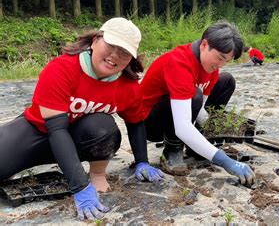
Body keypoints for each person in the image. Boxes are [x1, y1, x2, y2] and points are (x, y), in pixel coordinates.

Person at [0, 17, 164, 220]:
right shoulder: (61, 69)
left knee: (103, 126)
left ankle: (97, 174)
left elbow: (135, 122)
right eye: (111, 46)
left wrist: (142, 162)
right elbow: (56, 130)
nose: (115, 55)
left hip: (80, 138)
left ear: (131, 59)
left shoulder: (127, 86)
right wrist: (79, 187)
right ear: (95, 41)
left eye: (124, 53)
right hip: (38, 132)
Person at [139, 21, 255, 186]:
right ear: (204, 44)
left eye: (226, 61)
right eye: (220, 58)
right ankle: (172, 150)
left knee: (226, 81)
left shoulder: (211, 68)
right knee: (194, 95)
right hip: (150, 123)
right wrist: (225, 161)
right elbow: (183, 125)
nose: (220, 65)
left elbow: (200, 109)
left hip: (180, 110)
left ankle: (198, 146)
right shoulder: (178, 63)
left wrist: (215, 125)